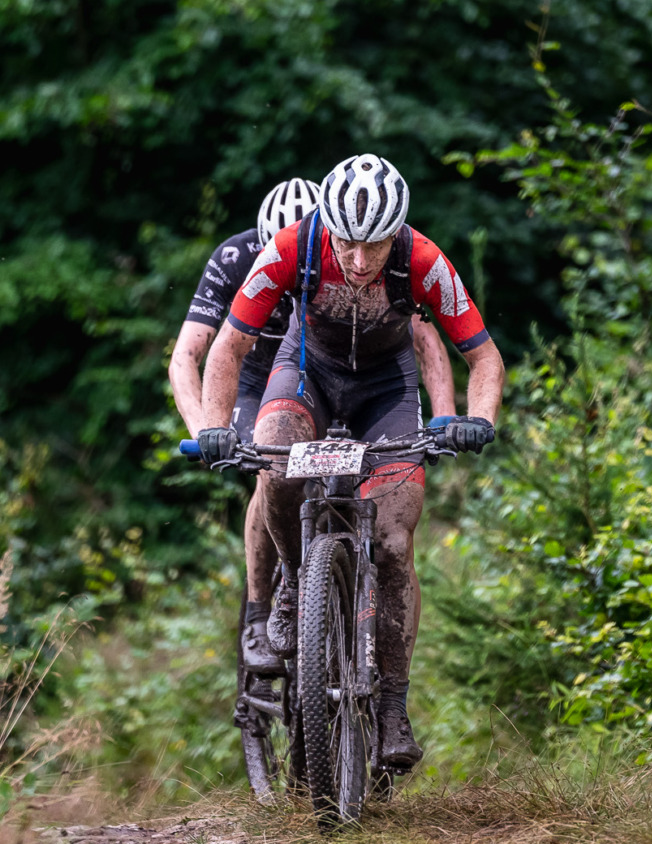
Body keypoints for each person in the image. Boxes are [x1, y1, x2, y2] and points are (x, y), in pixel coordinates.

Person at [194, 154, 505, 770]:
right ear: (325, 225)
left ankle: (392, 708)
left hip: (386, 391)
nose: (361, 262)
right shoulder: (289, 248)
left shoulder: (425, 262)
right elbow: (227, 349)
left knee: (393, 543)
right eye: (347, 243)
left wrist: (477, 422)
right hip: (306, 373)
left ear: (398, 233)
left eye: (376, 245)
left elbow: (485, 358)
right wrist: (211, 428)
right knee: (275, 466)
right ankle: (290, 585)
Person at [169, 177, 457, 678]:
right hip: (254, 374)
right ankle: (262, 611)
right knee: (271, 470)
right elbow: (189, 356)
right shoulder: (239, 258)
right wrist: (207, 430)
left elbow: (425, 341)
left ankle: (335, 588)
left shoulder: (354, 257)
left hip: (328, 369)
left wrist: (446, 416)